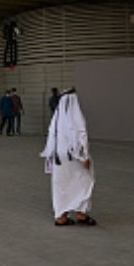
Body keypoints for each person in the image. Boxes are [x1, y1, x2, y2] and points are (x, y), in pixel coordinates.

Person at [40, 89, 96, 226]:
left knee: (61, 186)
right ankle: (81, 214)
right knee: (84, 181)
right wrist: (84, 157)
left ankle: (61, 216)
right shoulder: (74, 116)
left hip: (59, 157)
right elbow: (78, 134)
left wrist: (49, 156)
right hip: (73, 157)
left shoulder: (57, 117)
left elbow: (51, 136)